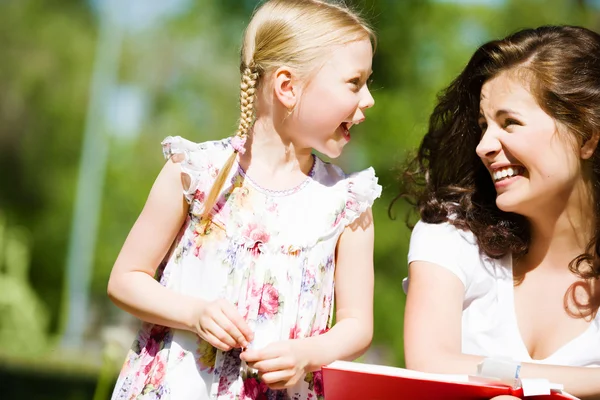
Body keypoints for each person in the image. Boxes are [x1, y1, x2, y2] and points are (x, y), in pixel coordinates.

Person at [106, 1, 381, 399]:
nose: (369, 98)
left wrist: (307, 354)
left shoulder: (347, 202)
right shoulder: (195, 173)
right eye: (354, 82)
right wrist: (194, 313)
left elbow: (357, 325)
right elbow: (126, 280)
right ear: (287, 87)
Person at [396, 25, 600, 399]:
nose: (484, 146)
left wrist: (492, 376)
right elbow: (430, 364)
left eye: (510, 123)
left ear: (586, 136)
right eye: (483, 126)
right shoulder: (450, 237)